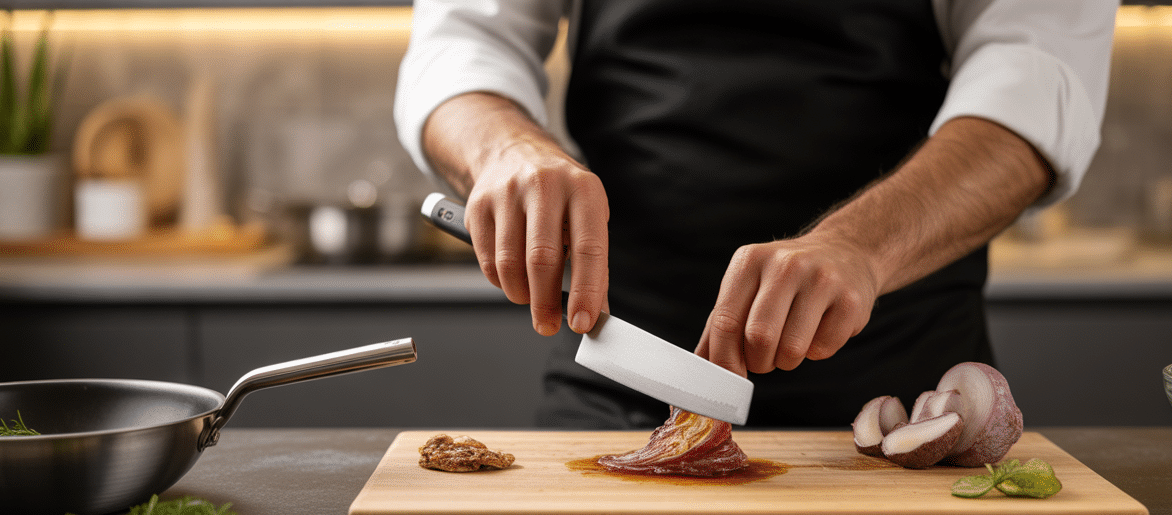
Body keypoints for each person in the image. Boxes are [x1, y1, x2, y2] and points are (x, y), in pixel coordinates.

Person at [395, 0, 1117, 428]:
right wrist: (505, 149)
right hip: (620, 389)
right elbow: (463, 43)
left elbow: (1039, 78)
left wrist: (862, 248)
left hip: (904, 407)